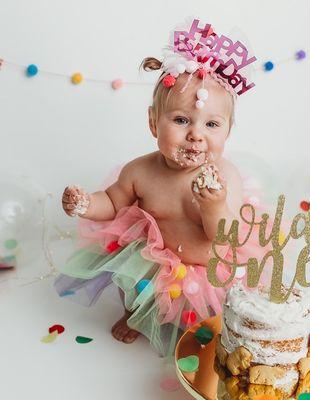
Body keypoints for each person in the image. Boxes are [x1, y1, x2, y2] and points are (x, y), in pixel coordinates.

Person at [55, 18, 261, 357]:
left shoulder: (225, 177)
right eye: (181, 120)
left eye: (211, 124)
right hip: (157, 264)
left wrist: (214, 205)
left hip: (210, 271)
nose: (196, 134)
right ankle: (137, 313)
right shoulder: (141, 171)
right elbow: (113, 202)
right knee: (132, 278)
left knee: (220, 316)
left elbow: (229, 237)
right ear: (154, 122)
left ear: (228, 131)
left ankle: (211, 324)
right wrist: (86, 204)